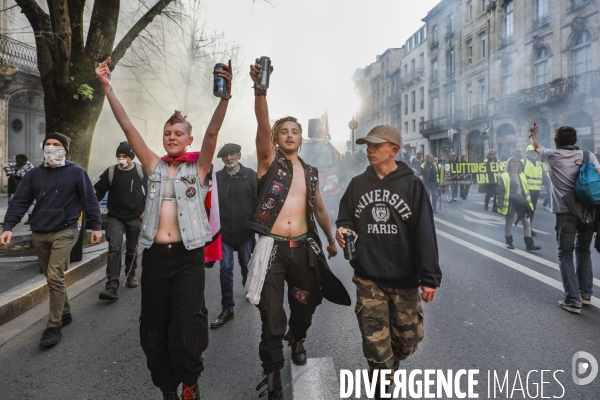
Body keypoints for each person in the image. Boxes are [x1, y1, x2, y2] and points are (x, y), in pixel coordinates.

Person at [96, 57, 232, 399]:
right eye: (167, 133)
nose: (172, 137)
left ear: (189, 139)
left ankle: (189, 383)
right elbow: (128, 127)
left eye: (178, 133)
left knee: (185, 330)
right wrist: (107, 88)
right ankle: (167, 389)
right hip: (155, 258)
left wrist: (224, 98)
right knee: (153, 332)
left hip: (188, 259)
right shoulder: (154, 165)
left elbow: (214, 133)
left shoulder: (198, 167)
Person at [246, 58, 350, 400]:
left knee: (305, 304)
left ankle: (299, 337)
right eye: (284, 131)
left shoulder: (312, 172)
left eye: (295, 131)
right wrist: (261, 90)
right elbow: (262, 126)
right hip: (273, 249)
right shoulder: (268, 163)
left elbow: (319, 207)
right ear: (277, 139)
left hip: (304, 248)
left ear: (301, 139)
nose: (290, 135)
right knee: (271, 317)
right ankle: (272, 379)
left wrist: (331, 237)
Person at [335, 125, 441, 398]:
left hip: (404, 278)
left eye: (375, 145)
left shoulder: (412, 184)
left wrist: (429, 278)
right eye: (367, 146)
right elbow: (345, 217)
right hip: (369, 277)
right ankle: (382, 385)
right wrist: (343, 229)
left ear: (393, 150)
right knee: (376, 345)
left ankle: (389, 367)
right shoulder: (358, 183)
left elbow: (424, 232)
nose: (368, 150)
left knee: (407, 342)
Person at [0, 133, 102, 347]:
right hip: (39, 232)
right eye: (48, 144)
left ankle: (53, 326)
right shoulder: (34, 175)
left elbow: (90, 200)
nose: (52, 148)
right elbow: (20, 201)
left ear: (65, 149)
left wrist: (96, 226)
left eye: (57, 145)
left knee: (54, 275)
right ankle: (64, 312)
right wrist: (8, 226)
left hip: (65, 231)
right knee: (50, 275)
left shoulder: (76, 172)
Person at [529, 124, 600, 314]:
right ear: (576, 140)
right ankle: (585, 294)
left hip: (565, 212)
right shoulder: (588, 156)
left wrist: (532, 135)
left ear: (556, 141)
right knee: (583, 251)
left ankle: (572, 300)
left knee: (565, 254)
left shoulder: (552, 155)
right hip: (587, 212)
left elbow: (536, 146)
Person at [210, 143, 257, 329]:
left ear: (239, 155)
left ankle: (248, 285)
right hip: (224, 233)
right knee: (225, 269)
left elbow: (258, 202)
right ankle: (227, 308)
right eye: (225, 156)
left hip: (245, 232)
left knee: (247, 265)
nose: (229, 158)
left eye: (232, 155)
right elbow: (210, 205)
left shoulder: (250, 176)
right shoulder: (217, 177)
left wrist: (258, 229)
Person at [94, 141, 148, 301]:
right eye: (119, 156)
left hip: (135, 216)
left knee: (132, 248)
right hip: (115, 216)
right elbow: (98, 190)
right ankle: (111, 286)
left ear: (131, 157)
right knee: (114, 248)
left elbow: (151, 188)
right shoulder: (111, 171)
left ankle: (131, 275)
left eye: (125, 156)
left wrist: (146, 209)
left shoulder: (139, 170)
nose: (121, 159)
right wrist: (90, 206)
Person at [496, 156, 541, 252]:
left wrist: (528, 203)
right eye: (514, 162)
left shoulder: (522, 175)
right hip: (511, 203)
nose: (516, 163)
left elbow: (525, 190)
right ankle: (509, 242)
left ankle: (529, 245)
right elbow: (500, 190)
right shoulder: (505, 176)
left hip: (521, 202)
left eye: (517, 162)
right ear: (509, 164)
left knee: (527, 223)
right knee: (509, 223)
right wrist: (499, 202)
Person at [520, 145, 543, 236]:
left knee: (532, 210)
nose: (533, 153)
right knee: (527, 210)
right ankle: (528, 228)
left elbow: (544, 177)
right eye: (531, 151)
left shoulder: (539, 164)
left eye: (535, 151)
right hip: (526, 191)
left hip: (536, 191)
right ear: (527, 153)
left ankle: (529, 227)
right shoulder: (523, 162)